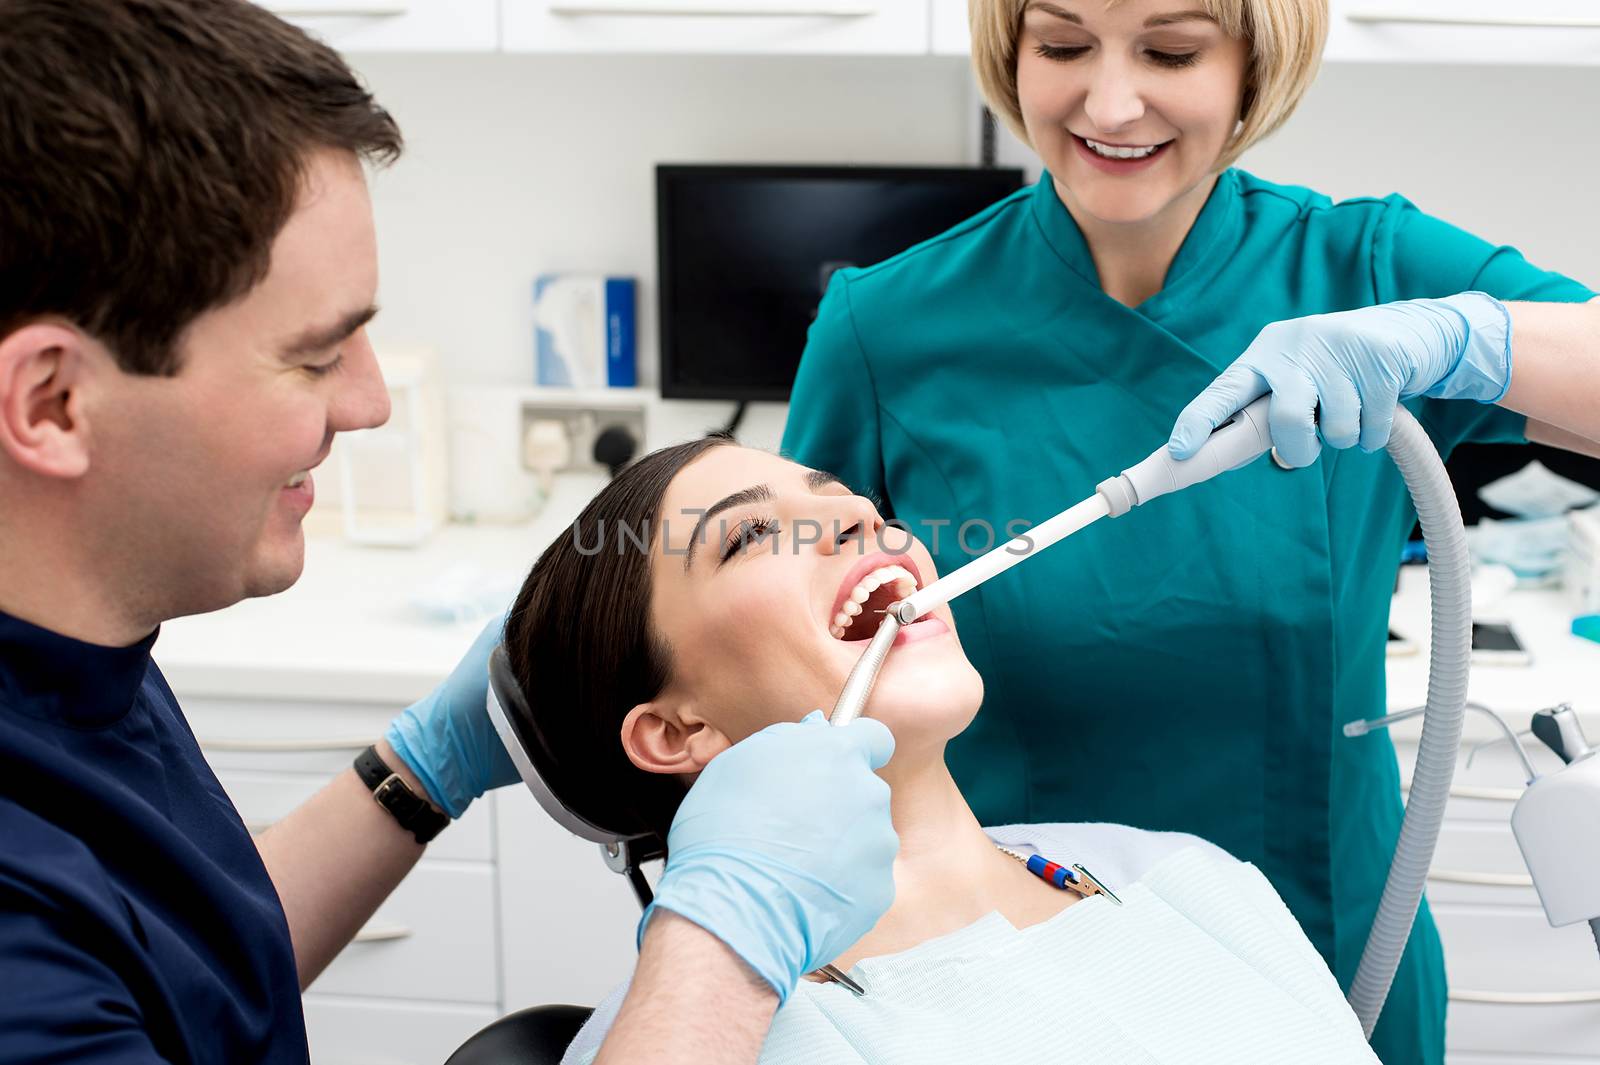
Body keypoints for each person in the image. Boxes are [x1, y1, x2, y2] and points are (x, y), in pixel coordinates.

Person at [0, 3, 896, 1063]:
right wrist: (722, 949)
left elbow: (184, 990)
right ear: (54, 403)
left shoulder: (75, 649)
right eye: (315, 355)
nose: (371, 404)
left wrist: (419, 771)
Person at [779, 1, 1600, 1062]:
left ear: (1254, 62)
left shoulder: (1366, 274)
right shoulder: (887, 325)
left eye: (1170, 51)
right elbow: (791, 649)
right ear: (1010, 51)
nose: (1109, 102)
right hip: (1009, 980)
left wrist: (1463, 337)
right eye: (1062, 46)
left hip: (1333, 952)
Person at [497, 435, 1382, 1064]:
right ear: (678, 730)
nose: (852, 516)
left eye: (844, 495)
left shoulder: (1185, 877)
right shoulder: (702, 1025)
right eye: (753, 534)